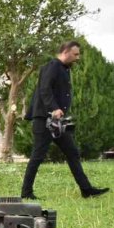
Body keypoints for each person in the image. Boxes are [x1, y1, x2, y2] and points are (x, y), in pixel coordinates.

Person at [21, 40, 108, 199]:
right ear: (66, 51)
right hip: (44, 120)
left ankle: (86, 190)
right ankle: (26, 193)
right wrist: (54, 108)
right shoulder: (53, 66)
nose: (78, 57)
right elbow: (44, 89)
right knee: (38, 156)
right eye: (75, 54)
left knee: (72, 152)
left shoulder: (63, 69)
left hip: (56, 122)